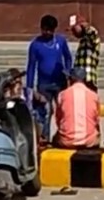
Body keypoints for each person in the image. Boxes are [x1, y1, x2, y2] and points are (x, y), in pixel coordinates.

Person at [25, 14, 73, 143]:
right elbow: (31, 66)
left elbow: (68, 57)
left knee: (63, 110)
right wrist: (29, 87)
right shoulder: (35, 45)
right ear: (41, 28)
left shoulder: (61, 41)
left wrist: (68, 71)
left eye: (50, 30)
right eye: (45, 30)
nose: (48, 33)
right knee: (45, 111)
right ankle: (44, 136)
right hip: (44, 84)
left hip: (60, 82)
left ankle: (64, 134)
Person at [53, 67, 100, 148]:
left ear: (71, 80)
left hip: (67, 141)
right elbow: (96, 120)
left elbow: (58, 119)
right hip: (89, 141)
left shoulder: (62, 95)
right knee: (96, 134)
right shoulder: (94, 96)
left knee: (55, 138)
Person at [69, 15, 101, 91]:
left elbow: (92, 32)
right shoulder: (82, 42)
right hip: (79, 80)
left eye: (74, 29)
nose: (73, 33)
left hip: (88, 79)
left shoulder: (91, 39)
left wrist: (85, 27)